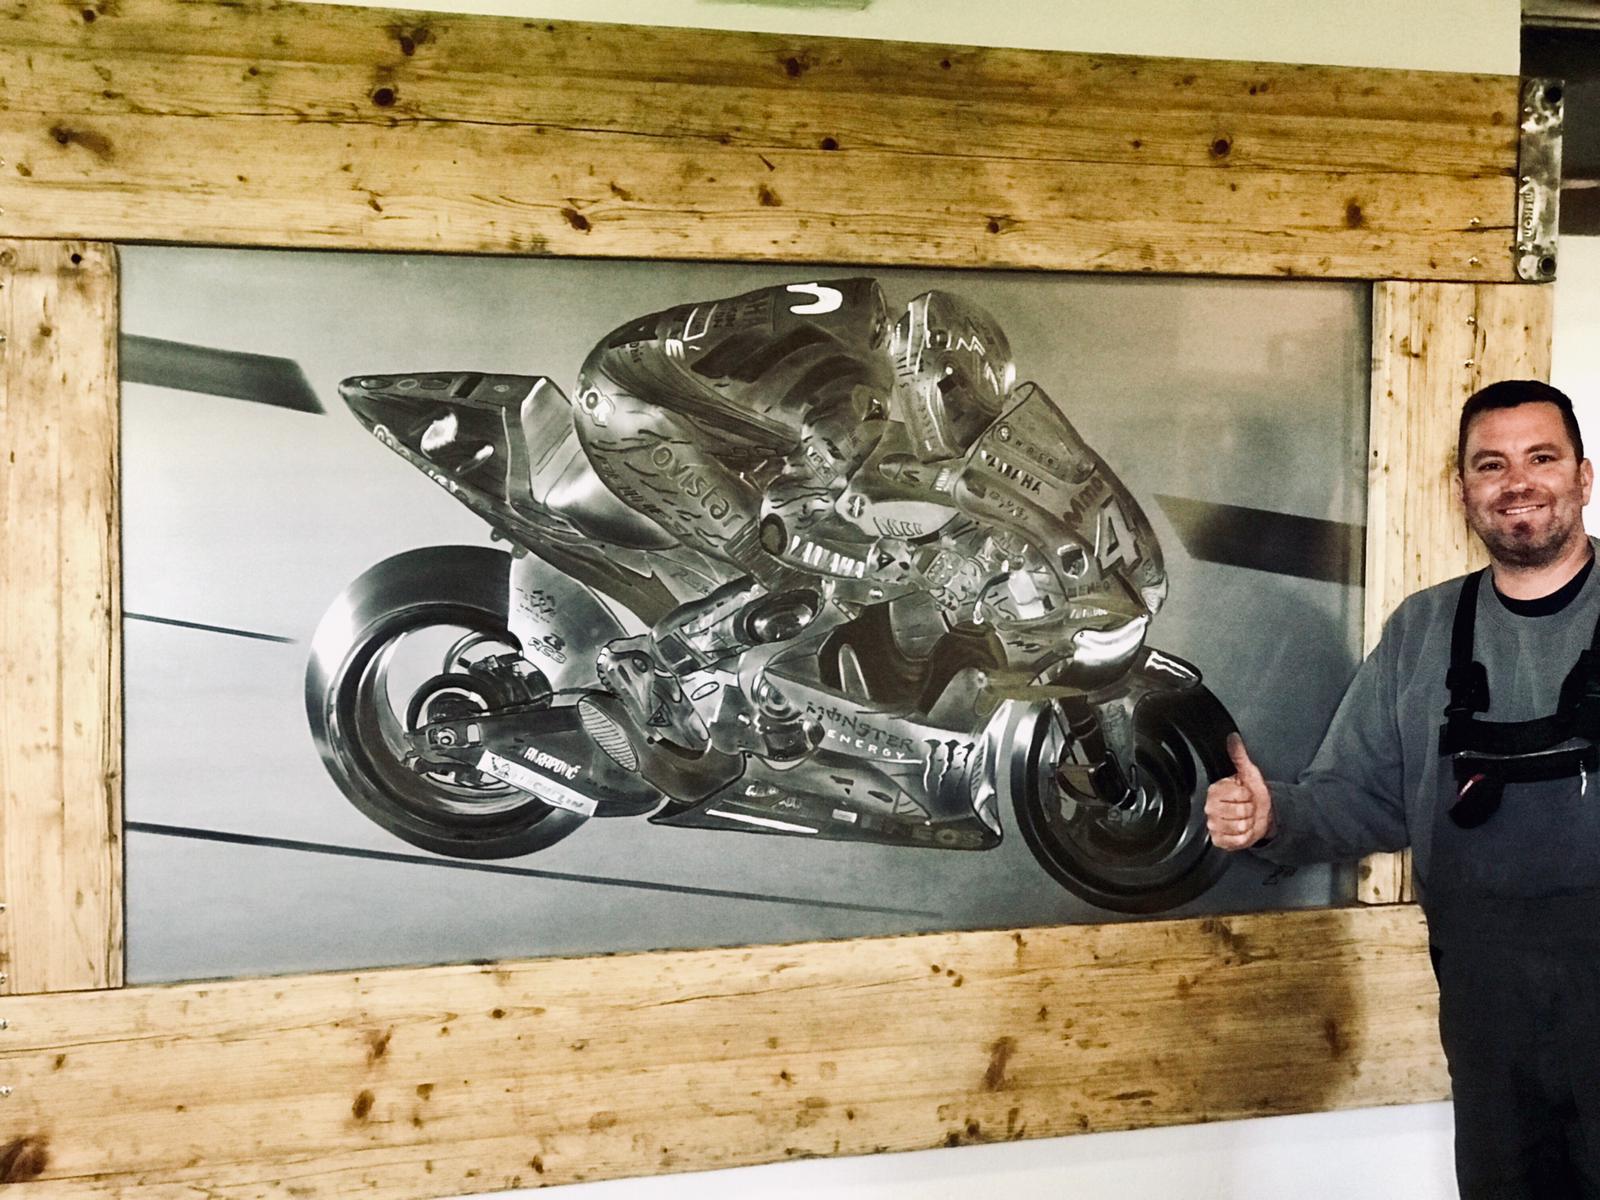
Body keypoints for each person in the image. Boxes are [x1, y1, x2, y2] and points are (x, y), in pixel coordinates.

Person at [1206, 378, 1600, 1199]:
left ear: (1583, 476)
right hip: (1488, 1013)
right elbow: (1362, 798)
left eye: (1541, 458)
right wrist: (1274, 815)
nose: (1517, 482)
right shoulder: (1423, 631)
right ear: (1463, 490)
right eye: (1490, 464)